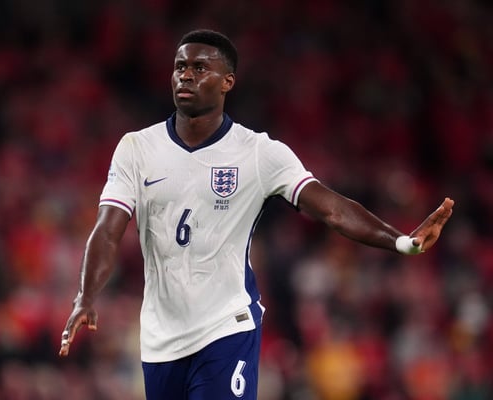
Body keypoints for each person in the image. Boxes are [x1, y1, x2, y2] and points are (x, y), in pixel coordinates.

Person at [58, 29, 454, 399]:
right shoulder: (136, 148)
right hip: (160, 338)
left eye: (200, 68)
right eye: (180, 66)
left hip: (227, 328)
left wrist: (402, 242)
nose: (186, 76)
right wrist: (85, 296)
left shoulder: (259, 153)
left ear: (227, 81)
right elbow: (107, 231)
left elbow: (332, 209)